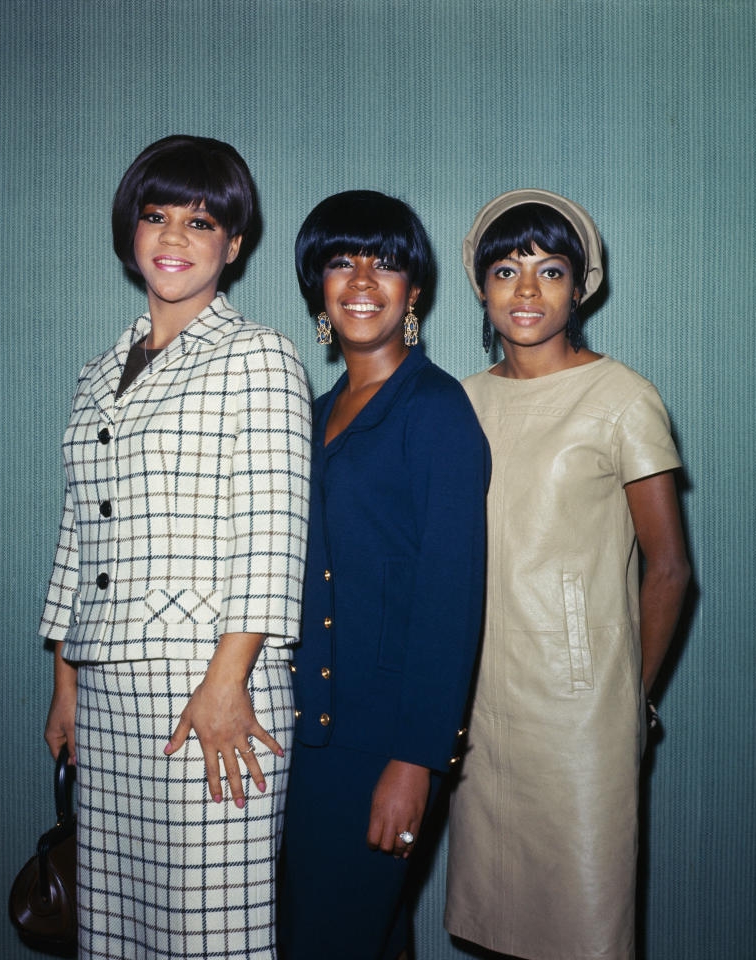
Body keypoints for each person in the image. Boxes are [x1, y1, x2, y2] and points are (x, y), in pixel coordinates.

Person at [39, 135, 311, 960]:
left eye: (200, 222)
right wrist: (67, 682)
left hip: (212, 690)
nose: (173, 239)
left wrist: (226, 684)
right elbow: (79, 532)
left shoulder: (255, 355)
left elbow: (275, 532)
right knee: (117, 927)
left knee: (211, 931)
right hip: (110, 685)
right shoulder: (98, 372)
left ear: (233, 244)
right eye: (155, 216)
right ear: (130, 230)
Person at [444, 189, 691, 960]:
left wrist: (629, 698)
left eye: (551, 271)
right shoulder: (461, 403)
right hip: (481, 714)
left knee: (585, 927)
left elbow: (671, 569)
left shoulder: (620, 397)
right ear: (480, 285)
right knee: (497, 925)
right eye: (507, 270)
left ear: (580, 286)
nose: (526, 291)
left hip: (582, 718)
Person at [278, 190, 489, 960]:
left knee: (333, 940)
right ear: (318, 290)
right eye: (341, 260)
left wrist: (415, 761)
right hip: (305, 738)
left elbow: (451, 598)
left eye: (386, 261)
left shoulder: (436, 408)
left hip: (383, 743)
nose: (363, 278)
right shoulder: (311, 409)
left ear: (414, 292)